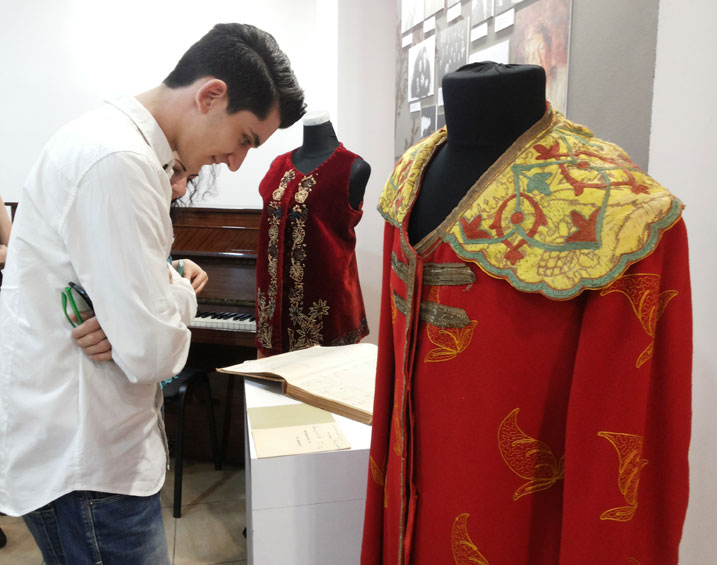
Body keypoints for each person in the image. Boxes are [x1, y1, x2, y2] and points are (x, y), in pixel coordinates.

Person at [0, 23, 305, 565]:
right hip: (89, 462)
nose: (237, 161)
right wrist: (178, 294)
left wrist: (140, 312)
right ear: (211, 95)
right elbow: (152, 354)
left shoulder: (111, 143)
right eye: (245, 139)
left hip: (87, 447)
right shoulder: (119, 161)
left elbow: (135, 327)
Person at [362, 63, 691, 564]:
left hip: (518, 524)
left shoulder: (620, 215)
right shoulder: (410, 175)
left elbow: (621, 452)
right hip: (409, 502)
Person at [255, 111, 371, 357]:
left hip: (327, 307)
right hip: (273, 311)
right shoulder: (278, 165)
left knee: (325, 376)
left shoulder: (352, 167)